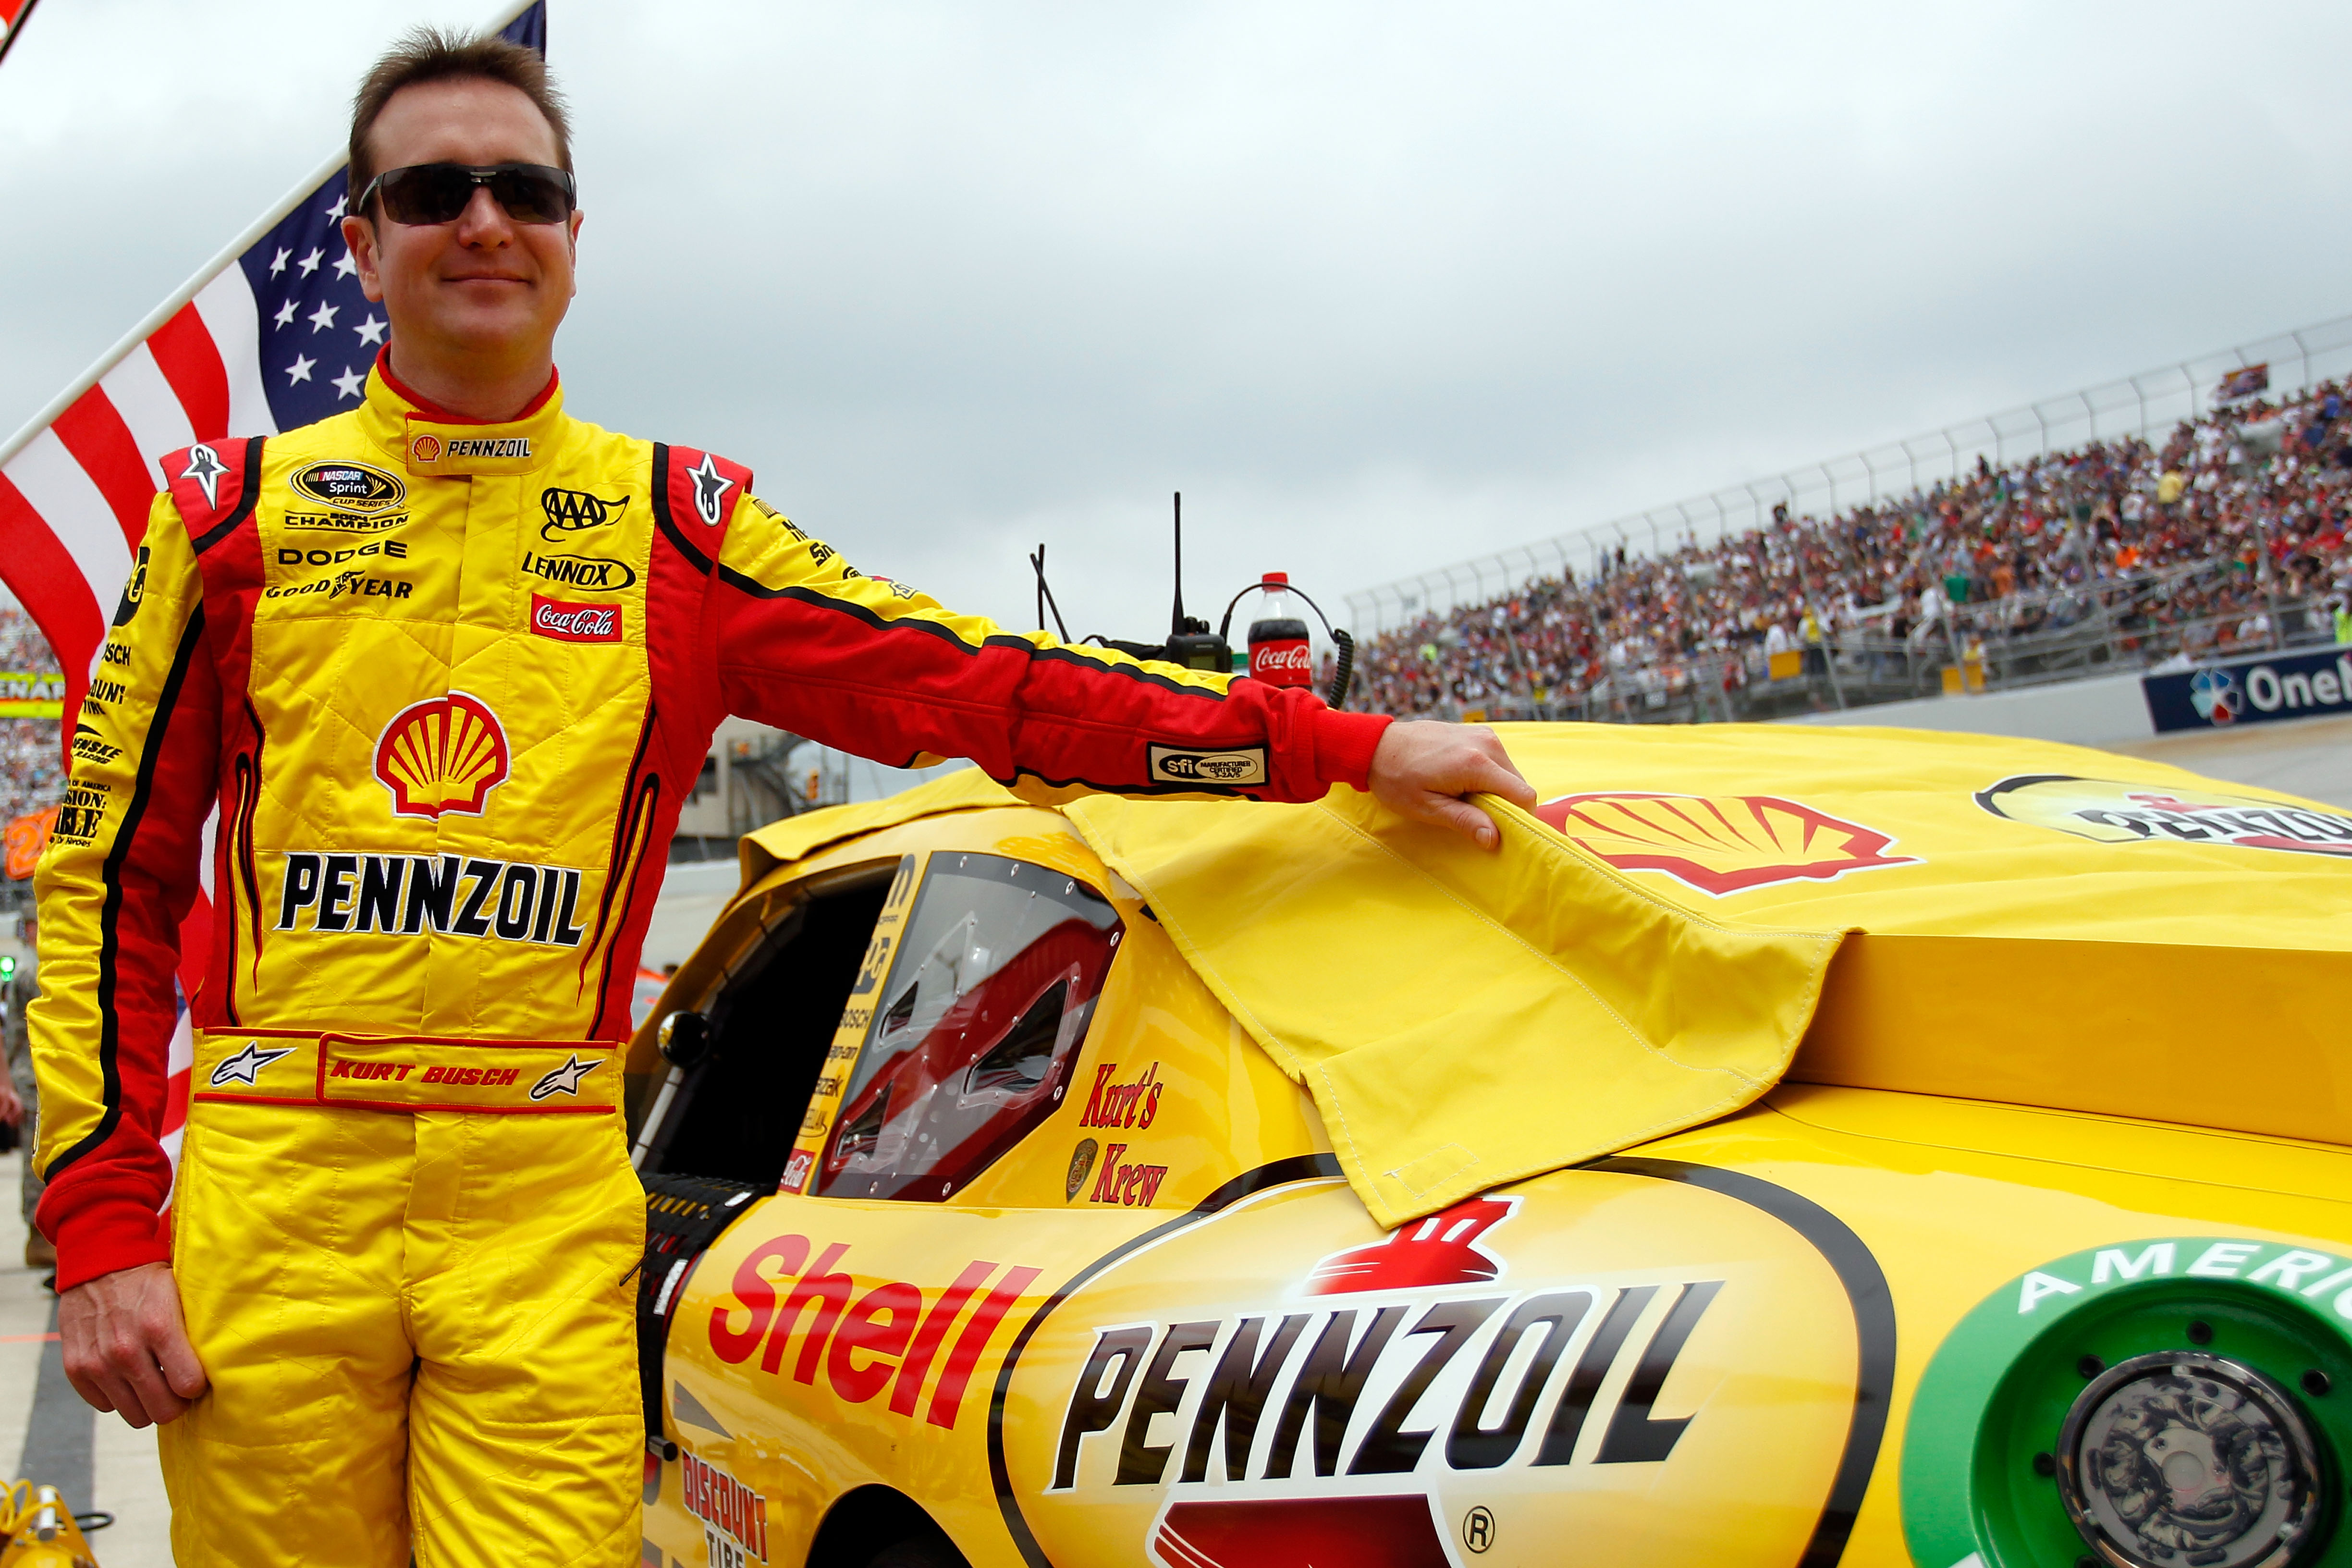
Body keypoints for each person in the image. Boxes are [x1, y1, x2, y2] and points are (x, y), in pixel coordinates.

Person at [25, 27, 1533, 1568]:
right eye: (432, 189)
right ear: (362, 241)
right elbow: (106, 886)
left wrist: (1331, 746)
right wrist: (98, 1227)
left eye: (525, 190)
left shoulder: (675, 526)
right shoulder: (225, 517)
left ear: (572, 237)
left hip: (540, 1192)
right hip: (278, 1183)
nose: (485, 220)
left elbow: (980, 680)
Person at [1, 909, 44, 1271]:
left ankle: (43, 1239)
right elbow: (14, 1035)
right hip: (33, 1080)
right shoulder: (33, 973)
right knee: (37, 1163)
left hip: (32, 1077)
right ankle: (40, 1239)